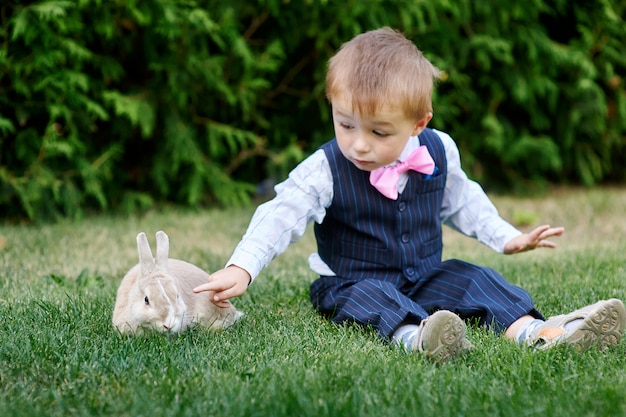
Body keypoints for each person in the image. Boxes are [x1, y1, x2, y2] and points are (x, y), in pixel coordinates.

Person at [194, 27, 626, 361]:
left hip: (423, 275)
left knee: (475, 278)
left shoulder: (440, 149)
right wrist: (242, 267)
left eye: (379, 132)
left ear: (419, 123)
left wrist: (506, 236)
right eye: (345, 124)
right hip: (352, 280)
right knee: (372, 298)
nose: (359, 144)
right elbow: (280, 215)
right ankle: (422, 338)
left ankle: (544, 334)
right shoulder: (324, 168)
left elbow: (463, 201)